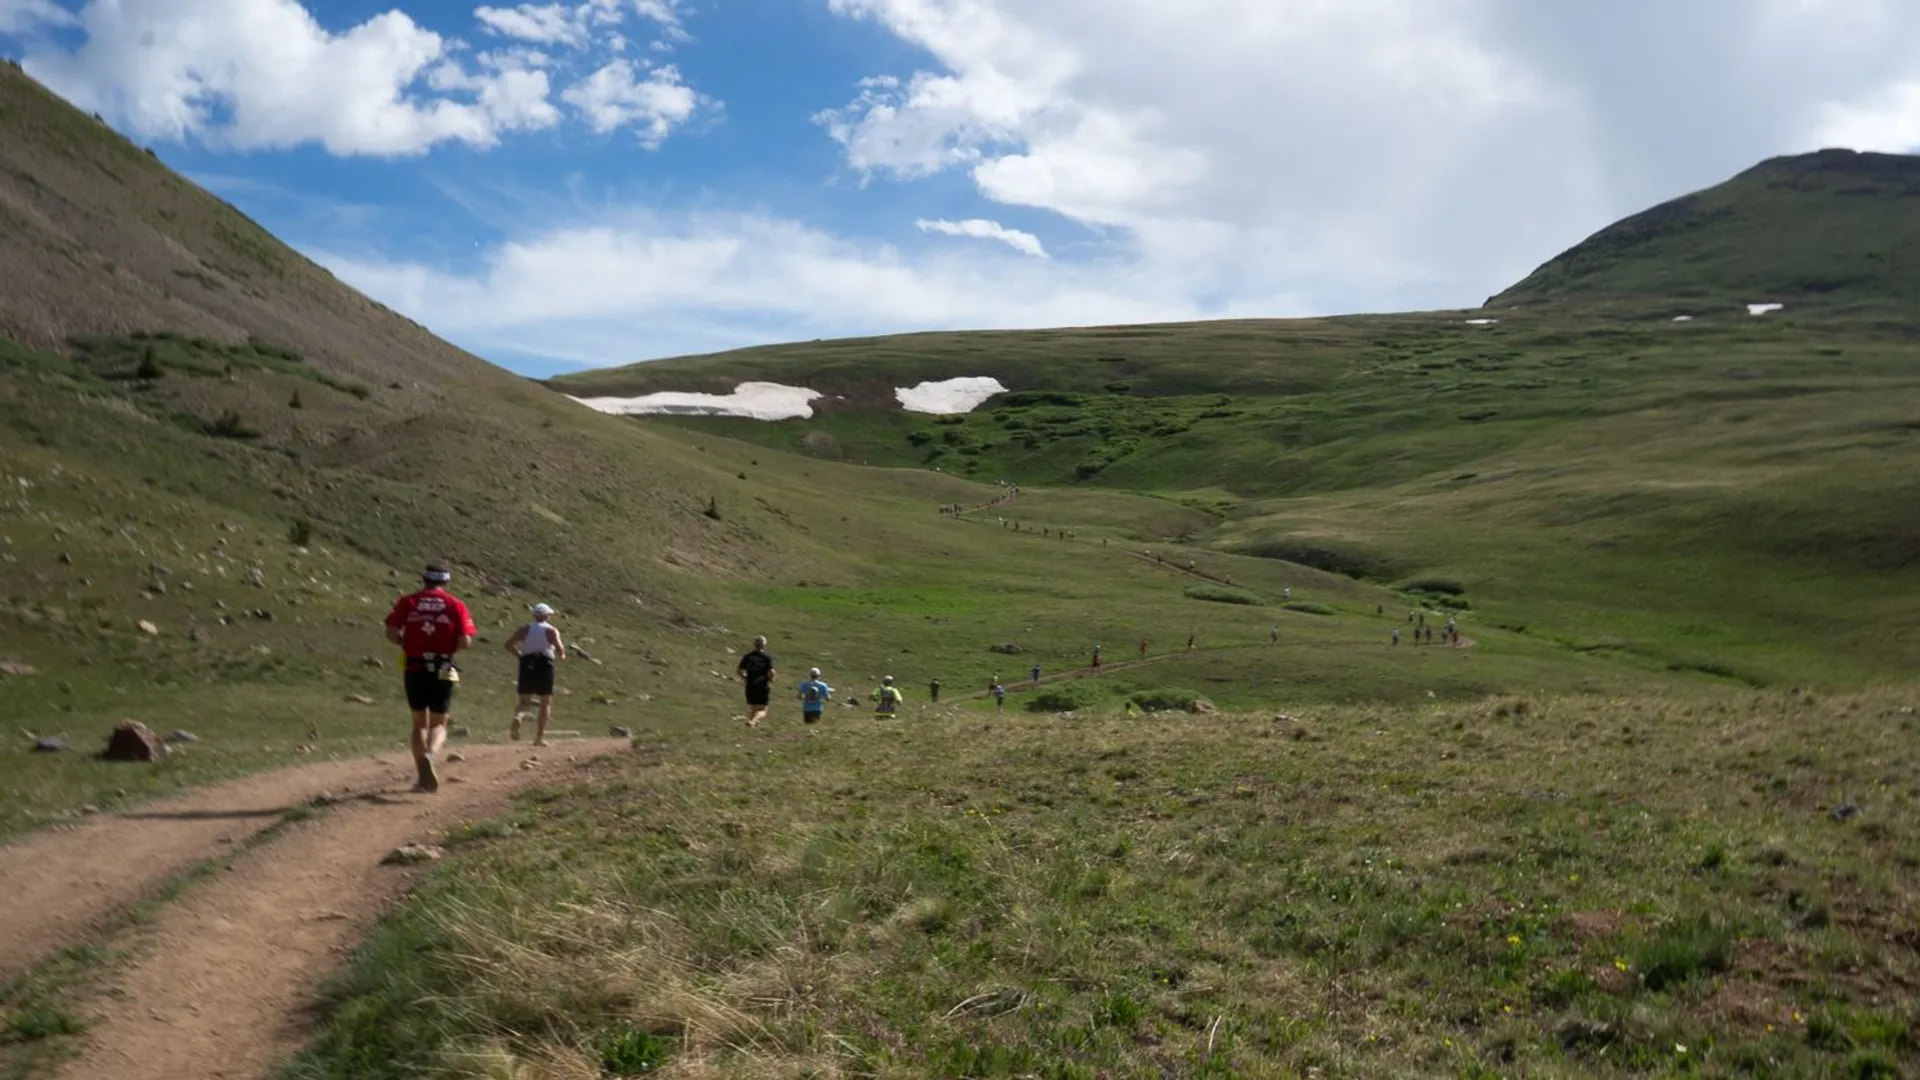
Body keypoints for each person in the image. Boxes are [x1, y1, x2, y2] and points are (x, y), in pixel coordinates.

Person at [384, 561, 475, 794]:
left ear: (424, 579)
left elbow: (392, 633)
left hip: (414, 666)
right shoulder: (455, 604)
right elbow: (465, 641)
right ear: (446, 581)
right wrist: (450, 648)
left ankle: (421, 777)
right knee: (439, 722)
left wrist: (406, 644)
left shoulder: (409, 601)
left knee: (418, 723)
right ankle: (430, 755)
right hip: (443, 666)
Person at [503, 602, 567, 746]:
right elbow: (560, 649)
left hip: (527, 663)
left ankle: (519, 716)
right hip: (544, 664)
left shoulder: (525, 629)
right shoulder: (551, 630)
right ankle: (539, 737)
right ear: (545, 615)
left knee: (524, 701)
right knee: (545, 702)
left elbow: (508, 645)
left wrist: (519, 655)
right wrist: (561, 655)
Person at [737, 636, 776, 726]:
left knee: (754, 708)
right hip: (762, 684)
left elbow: (739, 670)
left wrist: (745, 678)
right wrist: (772, 680)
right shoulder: (767, 658)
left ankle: (751, 725)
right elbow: (771, 672)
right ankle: (753, 721)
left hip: (750, 684)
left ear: (754, 644)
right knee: (763, 710)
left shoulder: (748, 656)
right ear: (764, 645)